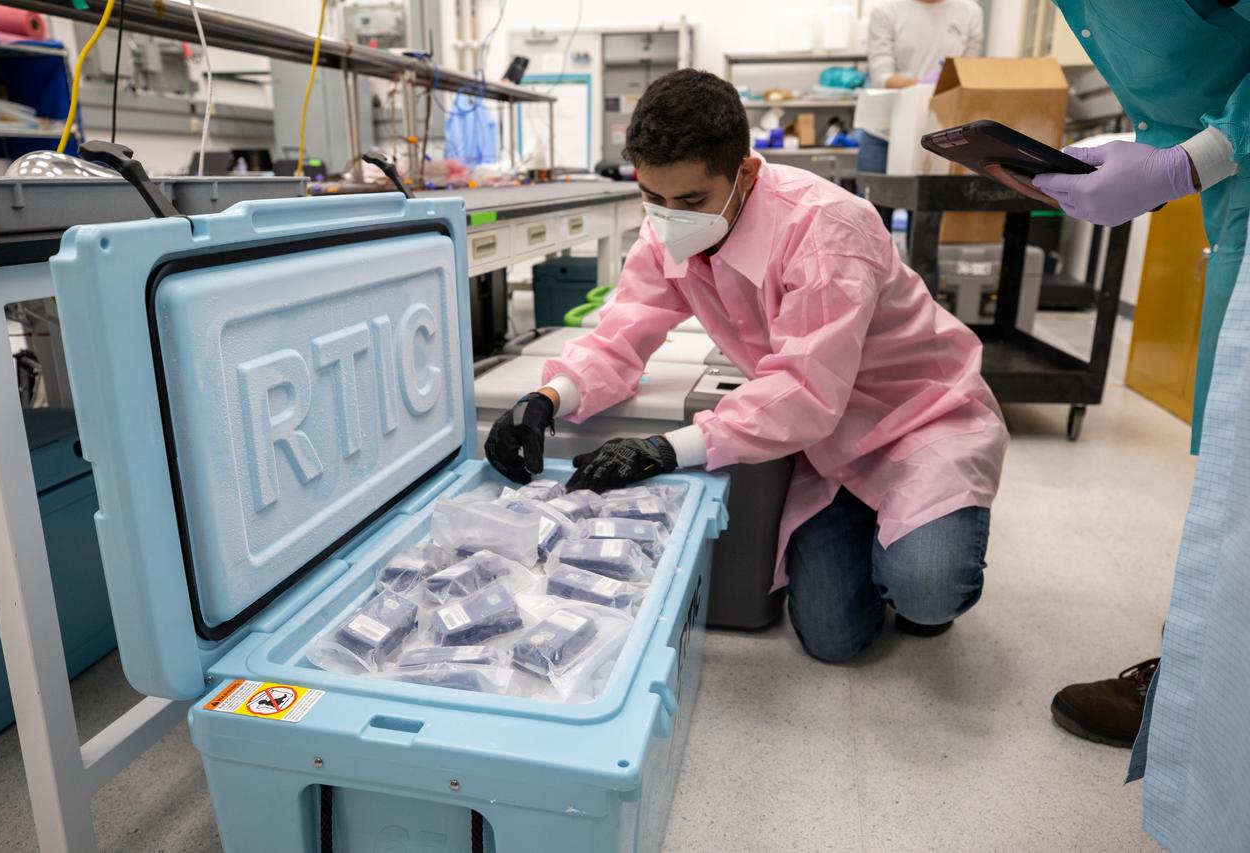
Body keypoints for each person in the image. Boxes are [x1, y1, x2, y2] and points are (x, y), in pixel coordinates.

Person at [485, 69, 1008, 663]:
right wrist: (549, 397)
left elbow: (804, 389)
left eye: (691, 201)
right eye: (652, 198)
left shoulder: (826, 230)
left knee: (926, 590)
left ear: (747, 173)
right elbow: (622, 334)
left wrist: (662, 449)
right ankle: (882, 532)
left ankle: (926, 550)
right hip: (825, 444)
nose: (668, 217)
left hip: (917, 420)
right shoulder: (668, 230)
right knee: (833, 640)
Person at [1033, 3, 1250, 850]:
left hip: (1229, 166)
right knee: (1230, 453)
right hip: (1235, 193)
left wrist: (1191, 160)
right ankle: (1202, 674)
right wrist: (1170, 156)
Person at [857, 0, 985, 173]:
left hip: (940, 131)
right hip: (885, 129)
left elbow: (966, 73)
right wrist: (929, 85)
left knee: (930, 189)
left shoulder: (970, 11)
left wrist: (940, 84)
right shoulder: (886, 10)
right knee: (875, 189)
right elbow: (882, 77)